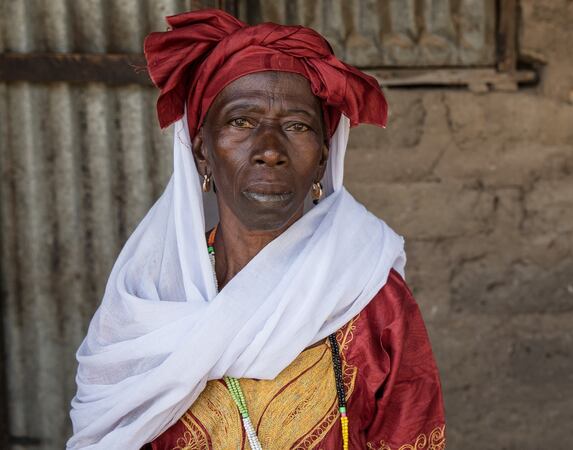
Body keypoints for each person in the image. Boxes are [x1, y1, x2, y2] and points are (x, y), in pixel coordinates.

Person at [67, 9, 445, 450]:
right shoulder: (151, 298)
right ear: (202, 152)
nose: (269, 150)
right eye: (242, 122)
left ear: (323, 156)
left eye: (297, 126)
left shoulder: (370, 295)